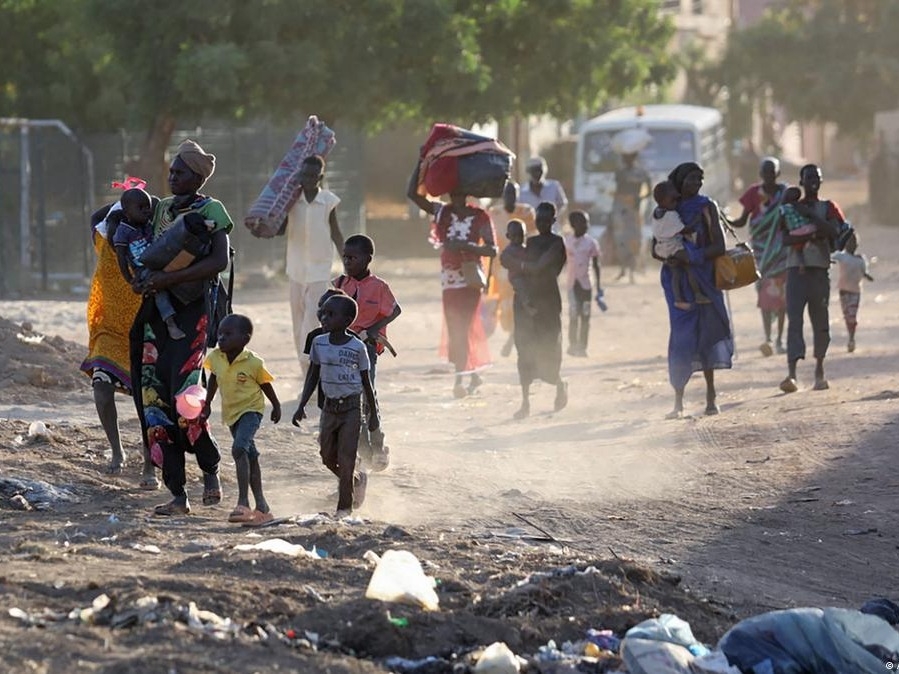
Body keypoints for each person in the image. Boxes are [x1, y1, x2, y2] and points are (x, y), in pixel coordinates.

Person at [129, 139, 232, 516]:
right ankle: (177, 494)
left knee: (187, 401)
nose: (172, 177)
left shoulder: (212, 210)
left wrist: (167, 281)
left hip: (193, 315)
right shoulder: (162, 210)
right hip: (157, 316)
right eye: (171, 171)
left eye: (180, 172)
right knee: (155, 403)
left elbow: (218, 261)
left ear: (198, 177)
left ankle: (210, 469)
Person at [82, 198, 156, 485]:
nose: (116, 232)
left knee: (146, 402)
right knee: (101, 387)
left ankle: (150, 466)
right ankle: (117, 451)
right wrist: (125, 197)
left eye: (121, 225)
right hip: (109, 331)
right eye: (114, 225)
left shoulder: (145, 245)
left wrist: (141, 200)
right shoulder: (102, 240)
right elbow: (95, 217)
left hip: (144, 330)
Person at [407, 167, 497, 399]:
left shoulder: (480, 216)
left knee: (463, 326)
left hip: (470, 277)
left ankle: (460, 377)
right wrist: (422, 163)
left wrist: (467, 247)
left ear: (466, 193)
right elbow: (413, 195)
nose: (455, 196)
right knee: (456, 326)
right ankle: (472, 372)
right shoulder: (442, 213)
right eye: (452, 191)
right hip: (449, 279)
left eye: (460, 191)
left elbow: (492, 249)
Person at [656, 162, 733, 419]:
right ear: (679, 181)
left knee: (707, 335)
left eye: (700, 179)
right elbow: (654, 247)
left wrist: (694, 256)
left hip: (705, 278)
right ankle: (678, 400)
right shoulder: (668, 207)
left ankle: (711, 396)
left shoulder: (706, 206)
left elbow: (719, 246)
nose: (696, 184)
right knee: (681, 337)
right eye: (691, 179)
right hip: (677, 282)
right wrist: (673, 258)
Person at [293, 295, 379, 518]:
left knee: (346, 457)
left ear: (348, 320)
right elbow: (313, 375)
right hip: (329, 408)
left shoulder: (357, 347)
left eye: (331, 314)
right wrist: (301, 404)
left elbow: (366, 382)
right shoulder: (318, 343)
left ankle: (344, 509)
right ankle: (355, 479)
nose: (324, 318)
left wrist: (373, 415)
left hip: (352, 408)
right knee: (326, 455)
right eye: (323, 313)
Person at [202, 314, 281, 527]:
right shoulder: (216, 357)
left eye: (228, 334)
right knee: (250, 455)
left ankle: (243, 502)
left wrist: (276, 405)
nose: (221, 338)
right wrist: (207, 403)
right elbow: (214, 379)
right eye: (220, 333)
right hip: (231, 413)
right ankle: (263, 508)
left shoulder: (254, 362)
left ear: (245, 339)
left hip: (251, 410)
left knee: (239, 449)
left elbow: (265, 384)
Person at [333, 234, 401, 470]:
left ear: (367, 259)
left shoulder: (379, 287)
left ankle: (378, 444)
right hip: (342, 349)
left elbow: (395, 310)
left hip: (367, 349)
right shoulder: (340, 285)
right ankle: (362, 448)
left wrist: (372, 330)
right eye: (345, 257)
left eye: (352, 257)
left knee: (367, 394)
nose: (347, 262)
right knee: (349, 398)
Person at [778, 164, 844, 394]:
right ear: (801, 181)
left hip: (818, 270)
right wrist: (816, 232)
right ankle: (792, 374)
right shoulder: (789, 209)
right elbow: (784, 239)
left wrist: (809, 218)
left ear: (821, 180)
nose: (813, 181)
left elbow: (835, 232)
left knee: (820, 321)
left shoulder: (828, 207)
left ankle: (819, 370)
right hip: (796, 270)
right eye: (808, 178)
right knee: (794, 321)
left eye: (816, 177)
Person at [284, 154, 344, 377]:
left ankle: (311, 363)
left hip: (320, 270)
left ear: (320, 177)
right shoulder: (291, 201)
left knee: (313, 317)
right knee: (297, 320)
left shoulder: (328, 201)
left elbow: (336, 233)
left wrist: (347, 262)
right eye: (304, 175)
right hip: (296, 269)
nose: (307, 179)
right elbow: (280, 229)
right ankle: (304, 367)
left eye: (312, 176)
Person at [507, 202, 568, 419]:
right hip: (526, 303)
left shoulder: (557, 243)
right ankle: (525, 402)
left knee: (550, 348)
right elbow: (506, 257)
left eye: (546, 220)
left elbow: (541, 265)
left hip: (548, 302)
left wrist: (521, 266)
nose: (542, 224)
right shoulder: (529, 243)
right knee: (524, 350)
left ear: (553, 221)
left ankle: (560, 384)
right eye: (539, 220)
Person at [731, 157, 789, 357]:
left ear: (778, 174)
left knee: (783, 298)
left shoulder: (786, 193)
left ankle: (780, 339)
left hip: (782, 252)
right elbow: (741, 221)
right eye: (765, 173)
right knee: (765, 296)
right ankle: (768, 339)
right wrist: (722, 217)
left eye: (772, 173)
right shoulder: (753, 194)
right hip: (762, 253)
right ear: (760, 174)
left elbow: (792, 217)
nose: (769, 177)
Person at [112, 187, 185, 340]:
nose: (146, 211)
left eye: (148, 207)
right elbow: (121, 257)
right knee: (158, 289)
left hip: (160, 262)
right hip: (143, 270)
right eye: (141, 207)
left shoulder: (149, 224)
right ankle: (170, 322)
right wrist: (130, 279)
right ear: (127, 211)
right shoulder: (123, 231)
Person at [488, 181, 536, 357]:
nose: (511, 197)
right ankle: (512, 336)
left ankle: (513, 341)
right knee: (505, 310)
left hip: (521, 266)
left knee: (520, 303)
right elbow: (488, 243)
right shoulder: (494, 213)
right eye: (507, 193)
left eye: (514, 193)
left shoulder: (526, 212)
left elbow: (532, 239)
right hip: (499, 268)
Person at [650, 181, 709, 311]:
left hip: (661, 248)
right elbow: (685, 230)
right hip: (673, 247)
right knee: (690, 266)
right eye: (673, 200)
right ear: (665, 200)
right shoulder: (671, 215)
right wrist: (697, 219)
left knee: (676, 272)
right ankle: (698, 293)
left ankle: (678, 300)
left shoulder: (656, 213)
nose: (676, 203)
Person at [563, 210, 602, 357]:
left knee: (585, 316)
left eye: (587, 222)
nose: (586, 225)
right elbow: (562, 262)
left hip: (586, 285)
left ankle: (583, 347)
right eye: (583, 222)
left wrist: (598, 286)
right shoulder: (567, 242)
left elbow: (597, 265)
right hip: (572, 285)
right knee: (573, 315)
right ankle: (573, 345)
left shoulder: (591, 243)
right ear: (573, 225)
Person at [611, 152, 652, 283]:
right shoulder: (620, 172)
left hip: (634, 209)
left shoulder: (641, 172)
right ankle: (624, 269)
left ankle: (633, 271)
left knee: (635, 239)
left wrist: (639, 199)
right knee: (620, 239)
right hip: (621, 208)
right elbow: (617, 189)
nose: (626, 160)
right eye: (625, 157)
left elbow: (649, 190)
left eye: (629, 157)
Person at [832, 231, 873, 353]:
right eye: (850, 242)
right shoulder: (841, 256)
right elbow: (830, 258)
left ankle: (851, 339)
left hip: (855, 291)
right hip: (844, 291)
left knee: (852, 316)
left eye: (854, 242)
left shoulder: (861, 259)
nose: (852, 245)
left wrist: (867, 276)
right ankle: (851, 338)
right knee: (847, 316)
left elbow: (863, 272)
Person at [499, 219, 537, 316]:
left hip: (527, 277)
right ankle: (528, 305)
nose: (517, 238)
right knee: (521, 287)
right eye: (514, 235)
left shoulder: (526, 248)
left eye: (520, 235)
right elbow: (503, 260)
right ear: (508, 236)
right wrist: (521, 265)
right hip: (516, 277)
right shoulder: (509, 250)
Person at [519, 157, 568, 232]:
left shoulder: (554, 186)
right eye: (534, 171)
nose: (537, 174)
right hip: (531, 231)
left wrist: (550, 216)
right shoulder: (521, 192)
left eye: (539, 170)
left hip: (552, 230)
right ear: (529, 172)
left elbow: (562, 203)